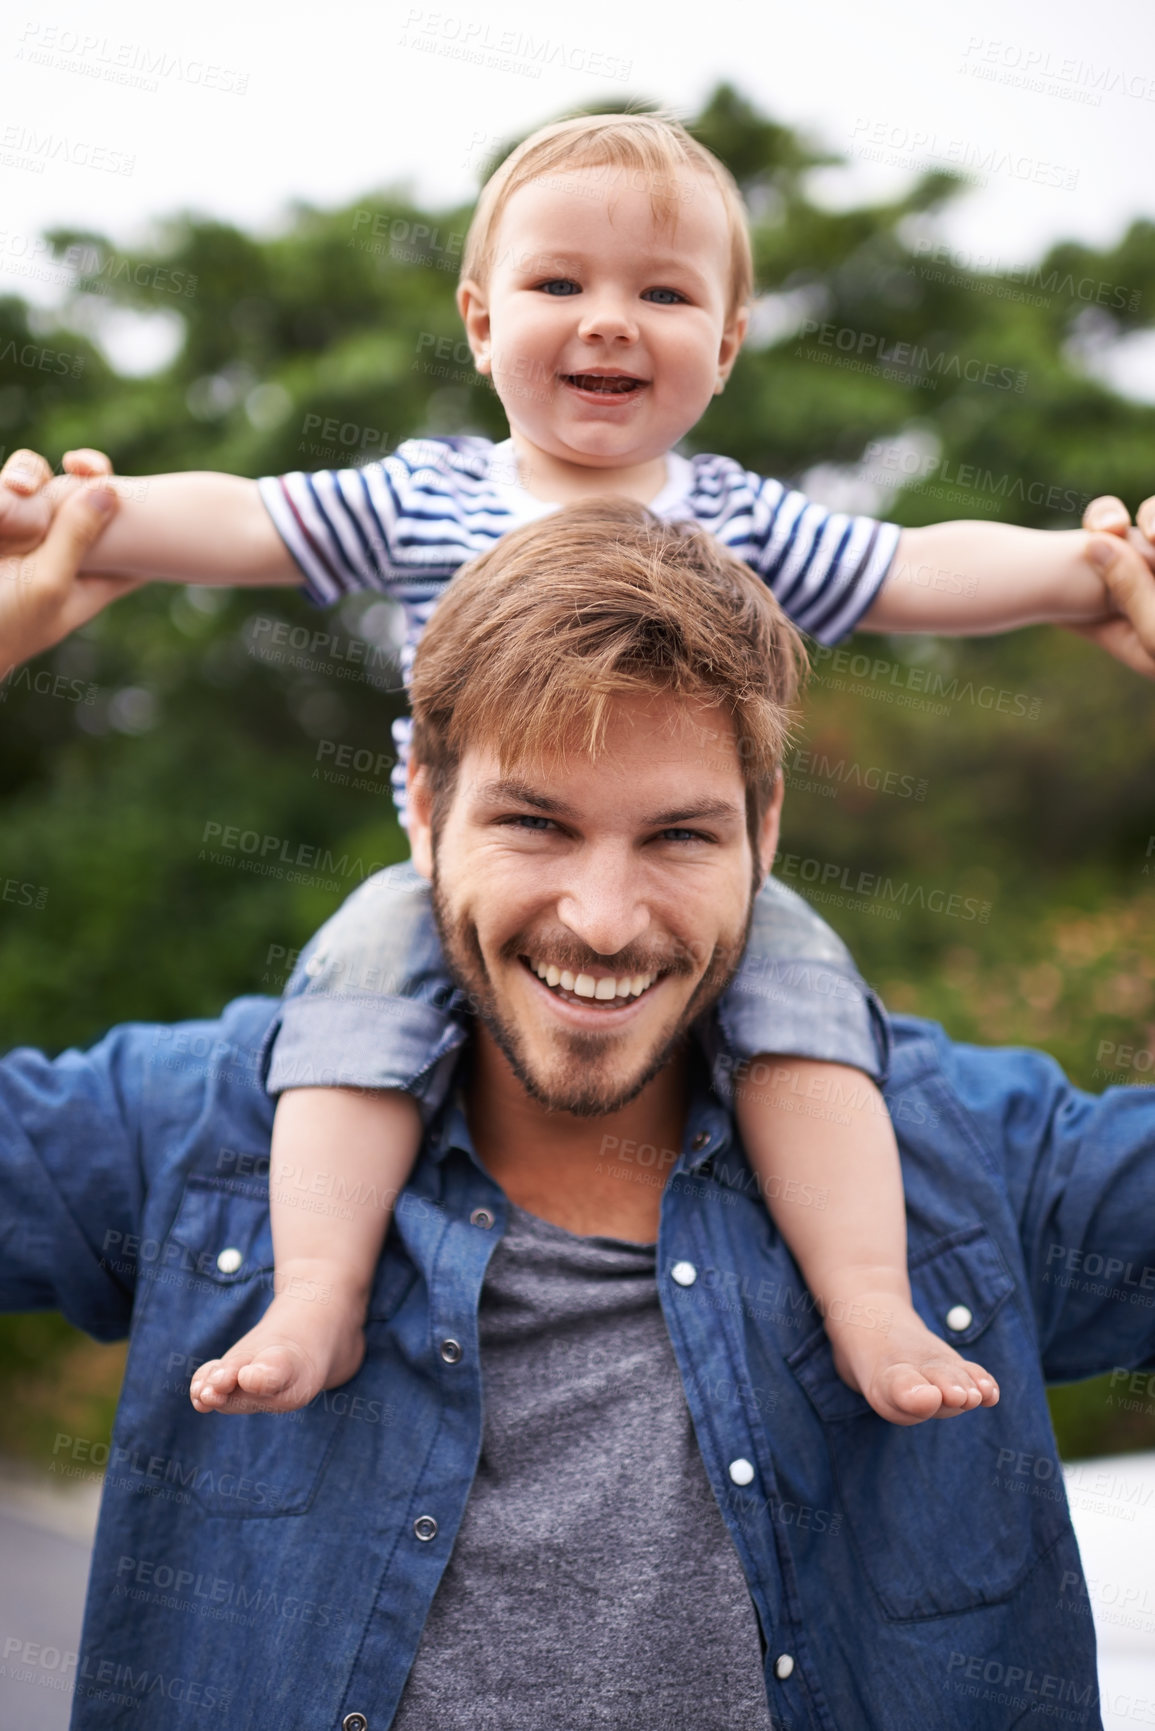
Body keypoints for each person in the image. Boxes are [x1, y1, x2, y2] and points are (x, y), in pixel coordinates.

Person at [4, 112, 1155, 1434]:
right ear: (480, 321)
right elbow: (247, 515)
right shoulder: (424, 496)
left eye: (662, 292)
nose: (609, 320)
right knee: (341, 1023)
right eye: (561, 284)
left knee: (818, 1031)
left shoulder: (735, 521)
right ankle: (313, 1286)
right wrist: (72, 520)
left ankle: (867, 1296)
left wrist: (1089, 570)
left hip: (707, 912)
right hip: (425, 888)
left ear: (724, 345)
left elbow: (906, 567)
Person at [2, 493, 1155, 1730]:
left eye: (678, 836)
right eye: (534, 823)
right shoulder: (186, 1133)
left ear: (766, 832)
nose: (603, 921)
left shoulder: (986, 1166)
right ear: (425, 811)